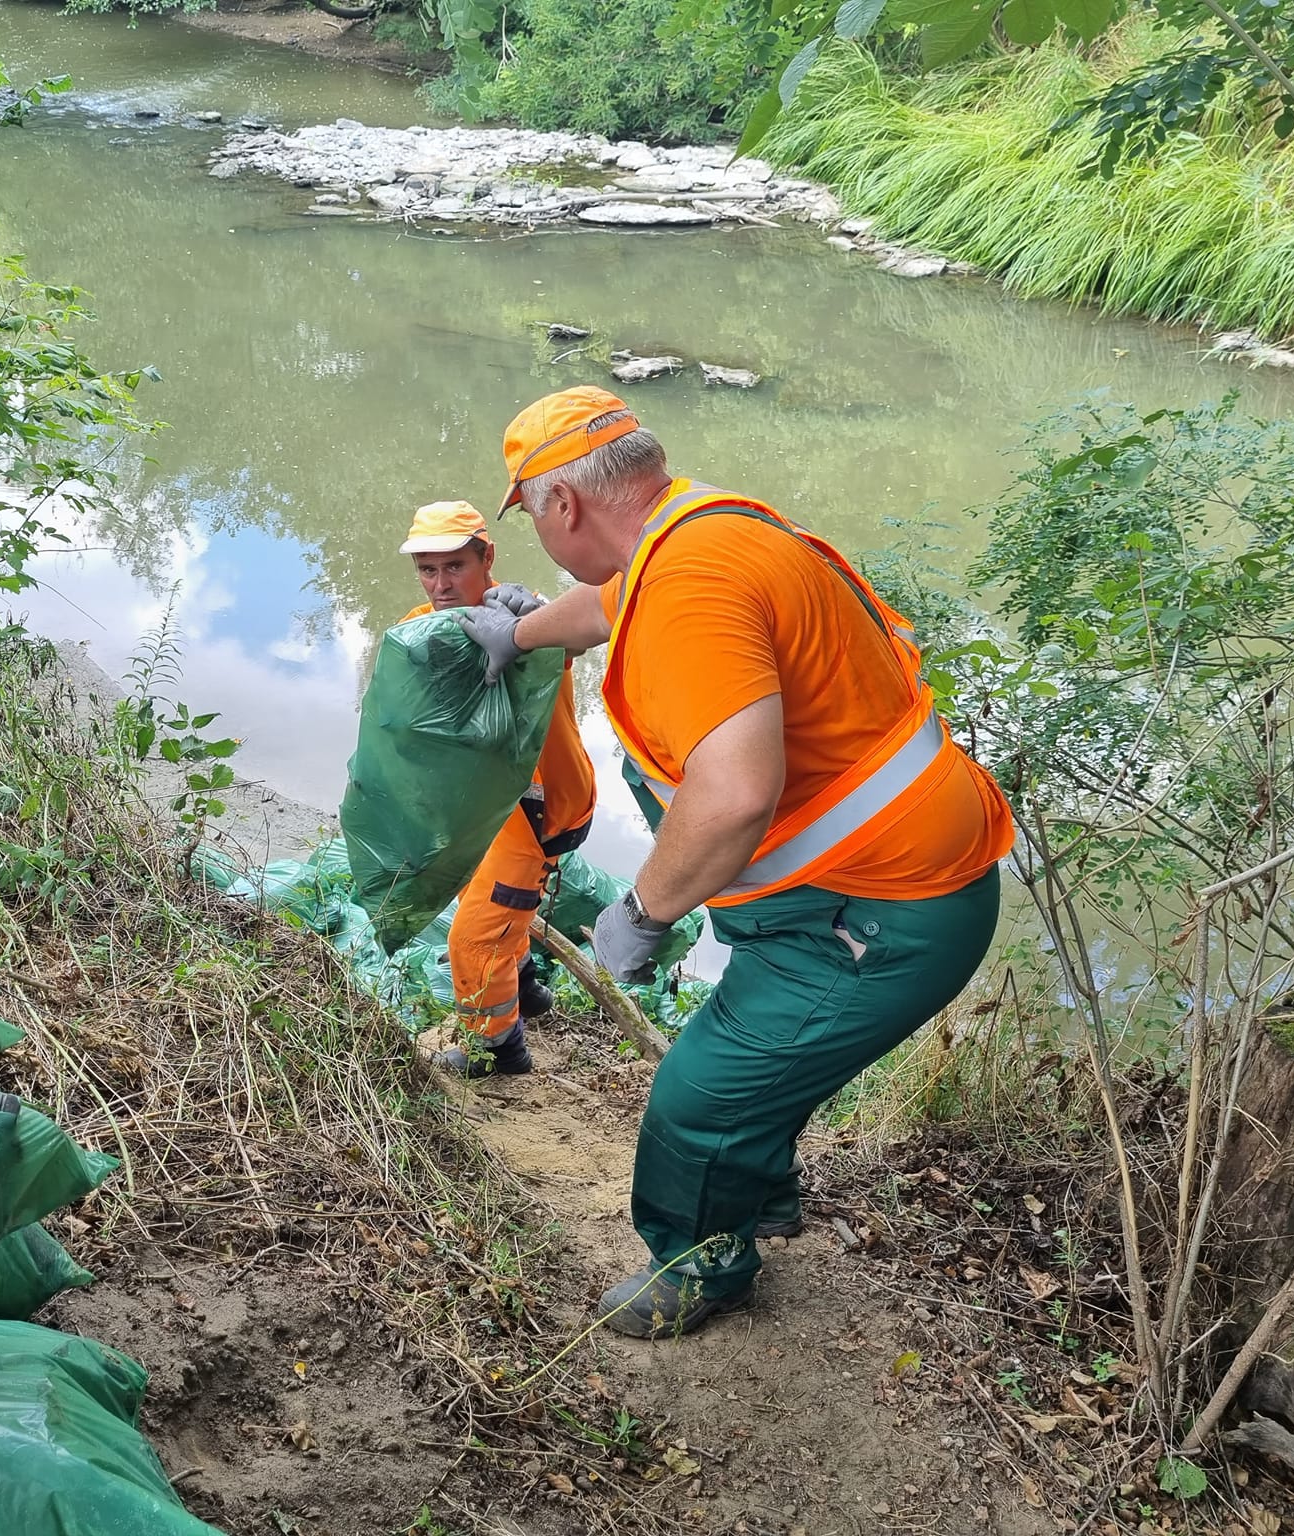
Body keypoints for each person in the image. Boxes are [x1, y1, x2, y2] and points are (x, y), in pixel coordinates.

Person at [446, 388, 1014, 1338]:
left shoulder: (689, 588)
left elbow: (735, 793)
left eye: (532, 517)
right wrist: (523, 631)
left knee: (701, 1096)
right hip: (853, 891)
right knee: (755, 1059)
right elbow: (604, 606)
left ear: (564, 507)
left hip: (879, 914)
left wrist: (643, 912)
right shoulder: (695, 528)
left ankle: (701, 1267)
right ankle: (765, 1196)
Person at [395, 499, 597, 1077]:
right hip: (474, 807)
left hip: (535, 811)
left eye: (455, 566)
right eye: (428, 570)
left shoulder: (528, 621)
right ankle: (527, 989)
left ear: (488, 557)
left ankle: (499, 1051)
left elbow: (579, 633)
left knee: (473, 939)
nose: (440, 584)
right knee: (485, 903)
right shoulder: (420, 624)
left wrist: (526, 625)